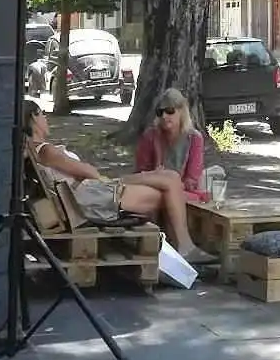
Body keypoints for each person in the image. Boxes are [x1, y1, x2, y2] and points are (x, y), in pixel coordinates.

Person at [23, 100, 197, 260]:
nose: (46, 118)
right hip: (91, 195)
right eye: (42, 114)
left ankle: (183, 245)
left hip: (91, 191)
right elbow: (87, 171)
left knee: (171, 178)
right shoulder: (46, 151)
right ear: (34, 118)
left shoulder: (36, 151)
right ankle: (185, 247)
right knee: (166, 190)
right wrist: (100, 176)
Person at [134, 89, 207, 201]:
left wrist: (170, 183)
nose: (164, 116)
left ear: (182, 111)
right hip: (153, 189)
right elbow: (141, 171)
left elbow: (192, 179)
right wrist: (155, 176)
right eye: (160, 112)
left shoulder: (195, 138)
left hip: (183, 192)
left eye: (169, 111)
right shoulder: (150, 136)